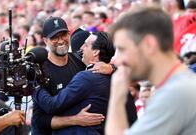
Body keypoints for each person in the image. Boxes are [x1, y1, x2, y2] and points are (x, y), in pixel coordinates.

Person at [106, 6, 196, 135]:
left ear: (149, 45)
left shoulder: (175, 93)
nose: (117, 60)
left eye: (122, 49)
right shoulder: (178, 84)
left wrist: (116, 98)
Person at [31, 17, 113, 135]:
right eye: (54, 37)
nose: (60, 41)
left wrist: (111, 68)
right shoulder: (39, 70)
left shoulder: (79, 59)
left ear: (69, 35)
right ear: (45, 40)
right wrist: (75, 120)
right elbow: (39, 121)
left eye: (64, 35)